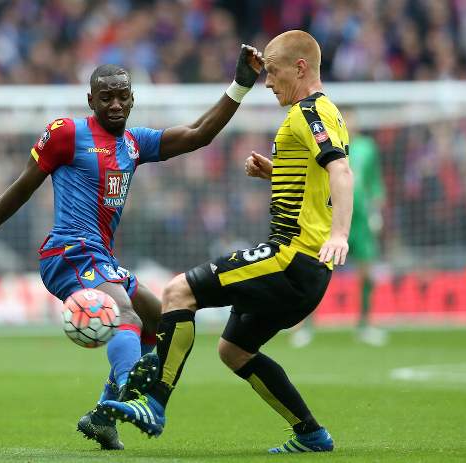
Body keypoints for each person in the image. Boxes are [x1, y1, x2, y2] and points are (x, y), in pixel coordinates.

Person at [0, 47, 263, 450]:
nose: (116, 103)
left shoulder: (135, 144)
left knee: (161, 321)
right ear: (91, 100)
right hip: (67, 252)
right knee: (122, 311)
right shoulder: (67, 134)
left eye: (123, 95)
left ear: (133, 98)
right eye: (106, 96)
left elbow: (198, 135)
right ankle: (131, 388)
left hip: (101, 258)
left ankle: (105, 414)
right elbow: (21, 187)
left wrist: (241, 82)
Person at [99, 30, 353, 454]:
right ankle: (310, 433)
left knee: (178, 291)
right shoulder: (322, 113)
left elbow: (340, 171)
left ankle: (154, 404)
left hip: (292, 258)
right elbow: (317, 178)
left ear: (300, 67)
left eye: (273, 72)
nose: (268, 82)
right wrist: (276, 173)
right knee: (234, 350)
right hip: (306, 271)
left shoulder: (310, 112)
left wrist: (340, 233)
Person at [290, 111, 387, 348]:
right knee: (317, 271)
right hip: (331, 218)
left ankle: (364, 325)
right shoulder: (327, 146)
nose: (349, 123)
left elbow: (374, 183)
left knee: (366, 272)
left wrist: (377, 211)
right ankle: (308, 326)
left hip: (361, 220)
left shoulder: (367, 147)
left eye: (351, 119)